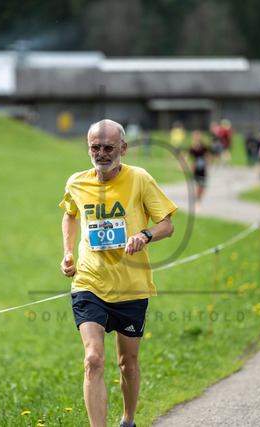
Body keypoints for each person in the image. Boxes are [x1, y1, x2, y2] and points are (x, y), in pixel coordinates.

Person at [60, 119, 177, 427]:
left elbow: (167, 225)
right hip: (89, 283)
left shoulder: (139, 178)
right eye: (95, 147)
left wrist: (146, 235)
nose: (101, 153)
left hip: (131, 286)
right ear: (88, 148)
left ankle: (128, 420)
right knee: (93, 359)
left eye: (108, 147)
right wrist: (68, 253)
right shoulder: (76, 182)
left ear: (123, 148)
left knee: (128, 364)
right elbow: (70, 214)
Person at [188, 130, 210, 211]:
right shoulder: (192, 147)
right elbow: (190, 157)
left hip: (203, 167)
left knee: (203, 185)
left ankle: (199, 198)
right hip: (196, 167)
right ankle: (198, 200)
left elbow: (207, 156)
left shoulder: (204, 147)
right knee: (198, 185)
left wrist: (207, 165)